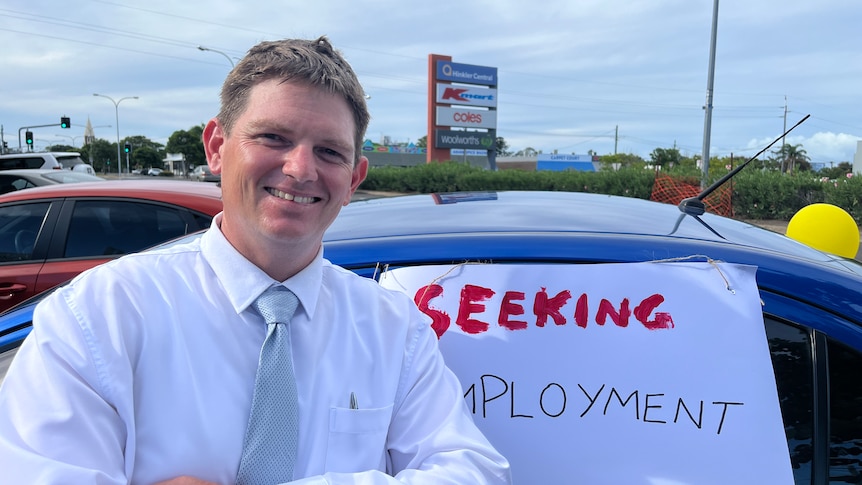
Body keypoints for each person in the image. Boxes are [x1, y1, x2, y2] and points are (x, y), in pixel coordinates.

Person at [0, 36, 511, 484]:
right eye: (273, 138)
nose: (300, 168)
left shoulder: (396, 330)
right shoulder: (97, 315)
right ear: (217, 147)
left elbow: (473, 471)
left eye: (330, 152)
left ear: (354, 180)